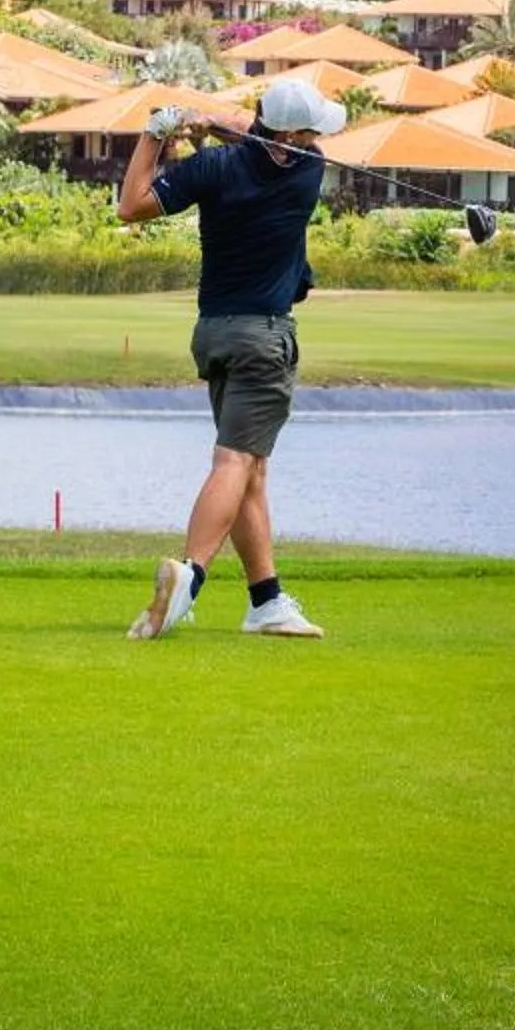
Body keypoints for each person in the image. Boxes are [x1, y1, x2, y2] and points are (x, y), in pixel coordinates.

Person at [115, 75, 345, 641]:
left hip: (214, 333)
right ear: (291, 134)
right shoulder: (307, 174)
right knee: (235, 464)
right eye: (310, 130)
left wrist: (157, 133)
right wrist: (206, 125)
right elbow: (253, 140)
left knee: (251, 471)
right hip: (264, 340)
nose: (316, 138)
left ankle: (266, 601)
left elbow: (131, 205)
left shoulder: (212, 170)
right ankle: (189, 578)